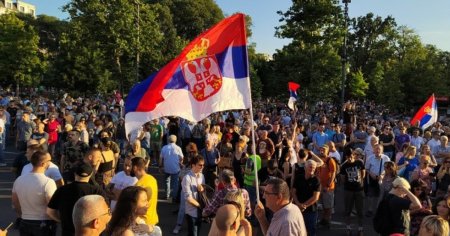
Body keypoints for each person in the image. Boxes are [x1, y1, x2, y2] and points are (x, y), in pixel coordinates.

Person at [47, 163, 105, 235]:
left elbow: (50, 212)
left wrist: (63, 220)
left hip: (68, 232)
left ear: (75, 174)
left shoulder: (62, 190)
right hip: (90, 232)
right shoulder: (97, 191)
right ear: (90, 175)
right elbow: (105, 214)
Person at [12, 151, 57, 236]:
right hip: (43, 222)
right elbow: (51, 205)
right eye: (49, 160)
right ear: (43, 164)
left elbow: (15, 201)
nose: (50, 163)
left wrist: (21, 214)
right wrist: (57, 219)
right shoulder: (48, 182)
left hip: (25, 220)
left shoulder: (19, 180)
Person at [340, 148, 365, 235]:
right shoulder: (344, 166)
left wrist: (359, 184)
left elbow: (363, 174)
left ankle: (360, 229)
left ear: (354, 155)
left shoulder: (360, 162)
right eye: (348, 157)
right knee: (348, 210)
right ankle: (348, 228)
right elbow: (343, 180)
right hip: (348, 191)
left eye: (351, 156)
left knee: (360, 211)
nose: (350, 158)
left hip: (359, 190)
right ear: (346, 157)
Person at [292, 159, 321, 236]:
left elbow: (316, 197)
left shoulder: (316, 180)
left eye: (314, 168)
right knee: (297, 230)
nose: (312, 169)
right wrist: (298, 204)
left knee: (311, 230)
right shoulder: (298, 178)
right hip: (297, 209)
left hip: (311, 210)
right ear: (305, 167)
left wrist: (304, 205)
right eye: (310, 167)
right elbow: (293, 192)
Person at [182, 155, 205, 236]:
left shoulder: (202, 176)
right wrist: (200, 206)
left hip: (200, 212)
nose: (202, 167)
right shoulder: (187, 178)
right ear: (193, 165)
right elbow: (188, 198)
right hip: (192, 212)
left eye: (203, 165)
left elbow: (203, 193)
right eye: (200, 165)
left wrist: (202, 189)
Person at [131, 157, 159, 226]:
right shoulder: (152, 179)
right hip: (152, 220)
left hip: (142, 223)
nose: (129, 168)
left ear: (135, 168)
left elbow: (135, 206)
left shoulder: (139, 186)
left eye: (130, 166)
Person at [365, 144, 390, 217]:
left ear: (382, 150)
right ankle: (370, 210)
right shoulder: (370, 158)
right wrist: (372, 174)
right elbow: (367, 168)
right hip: (372, 178)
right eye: (376, 149)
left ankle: (379, 210)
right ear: (373, 150)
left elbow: (388, 169)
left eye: (379, 149)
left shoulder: (386, 158)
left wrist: (382, 175)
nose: (377, 150)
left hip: (383, 179)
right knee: (371, 195)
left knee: (381, 195)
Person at [316, 144, 336, 228]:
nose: (322, 151)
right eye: (321, 149)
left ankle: (327, 221)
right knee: (322, 205)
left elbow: (333, 174)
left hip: (328, 187)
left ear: (328, 151)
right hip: (319, 186)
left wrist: (328, 185)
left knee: (328, 206)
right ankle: (323, 220)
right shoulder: (318, 159)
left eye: (324, 150)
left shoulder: (330, 160)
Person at [160, 134, 184, 200]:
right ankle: (174, 197)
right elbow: (182, 157)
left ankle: (167, 195)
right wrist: (180, 163)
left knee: (167, 181)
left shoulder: (164, 147)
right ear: (175, 140)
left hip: (166, 168)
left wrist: (160, 166)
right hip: (175, 168)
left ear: (168, 140)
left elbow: (161, 158)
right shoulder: (178, 148)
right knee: (175, 183)